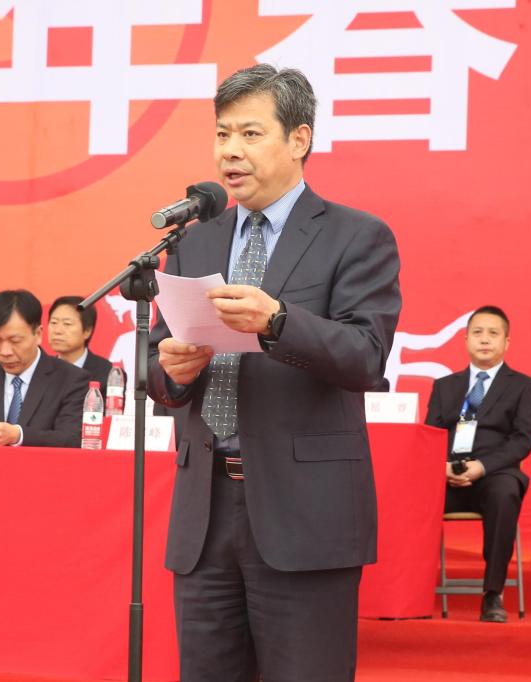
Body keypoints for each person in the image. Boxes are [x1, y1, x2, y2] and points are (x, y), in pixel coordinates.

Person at [148, 64, 402, 681]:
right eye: (222, 134)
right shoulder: (192, 241)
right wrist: (172, 370)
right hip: (205, 513)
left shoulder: (356, 237)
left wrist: (278, 321)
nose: (230, 151)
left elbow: (366, 355)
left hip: (304, 513)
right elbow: (156, 363)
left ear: (298, 139)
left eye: (250, 133)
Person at [424, 305, 531, 623]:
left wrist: (482, 467)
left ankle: (492, 594)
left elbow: (522, 441)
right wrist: (441, 467)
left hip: (493, 474)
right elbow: (430, 436)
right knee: (409, 494)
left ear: (506, 342)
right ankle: (409, 589)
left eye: (493, 333)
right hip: (447, 474)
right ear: (465, 340)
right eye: (477, 333)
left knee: (505, 492)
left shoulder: (523, 386)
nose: (484, 339)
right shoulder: (445, 386)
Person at [0, 289, 90, 448]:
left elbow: (72, 438)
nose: (5, 352)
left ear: (38, 334)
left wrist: (19, 435)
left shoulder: (71, 380)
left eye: (15, 341)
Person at [47, 295, 117, 397]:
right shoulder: (41, 370)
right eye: (54, 322)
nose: (57, 331)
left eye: (67, 324)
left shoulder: (108, 373)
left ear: (87, 331)